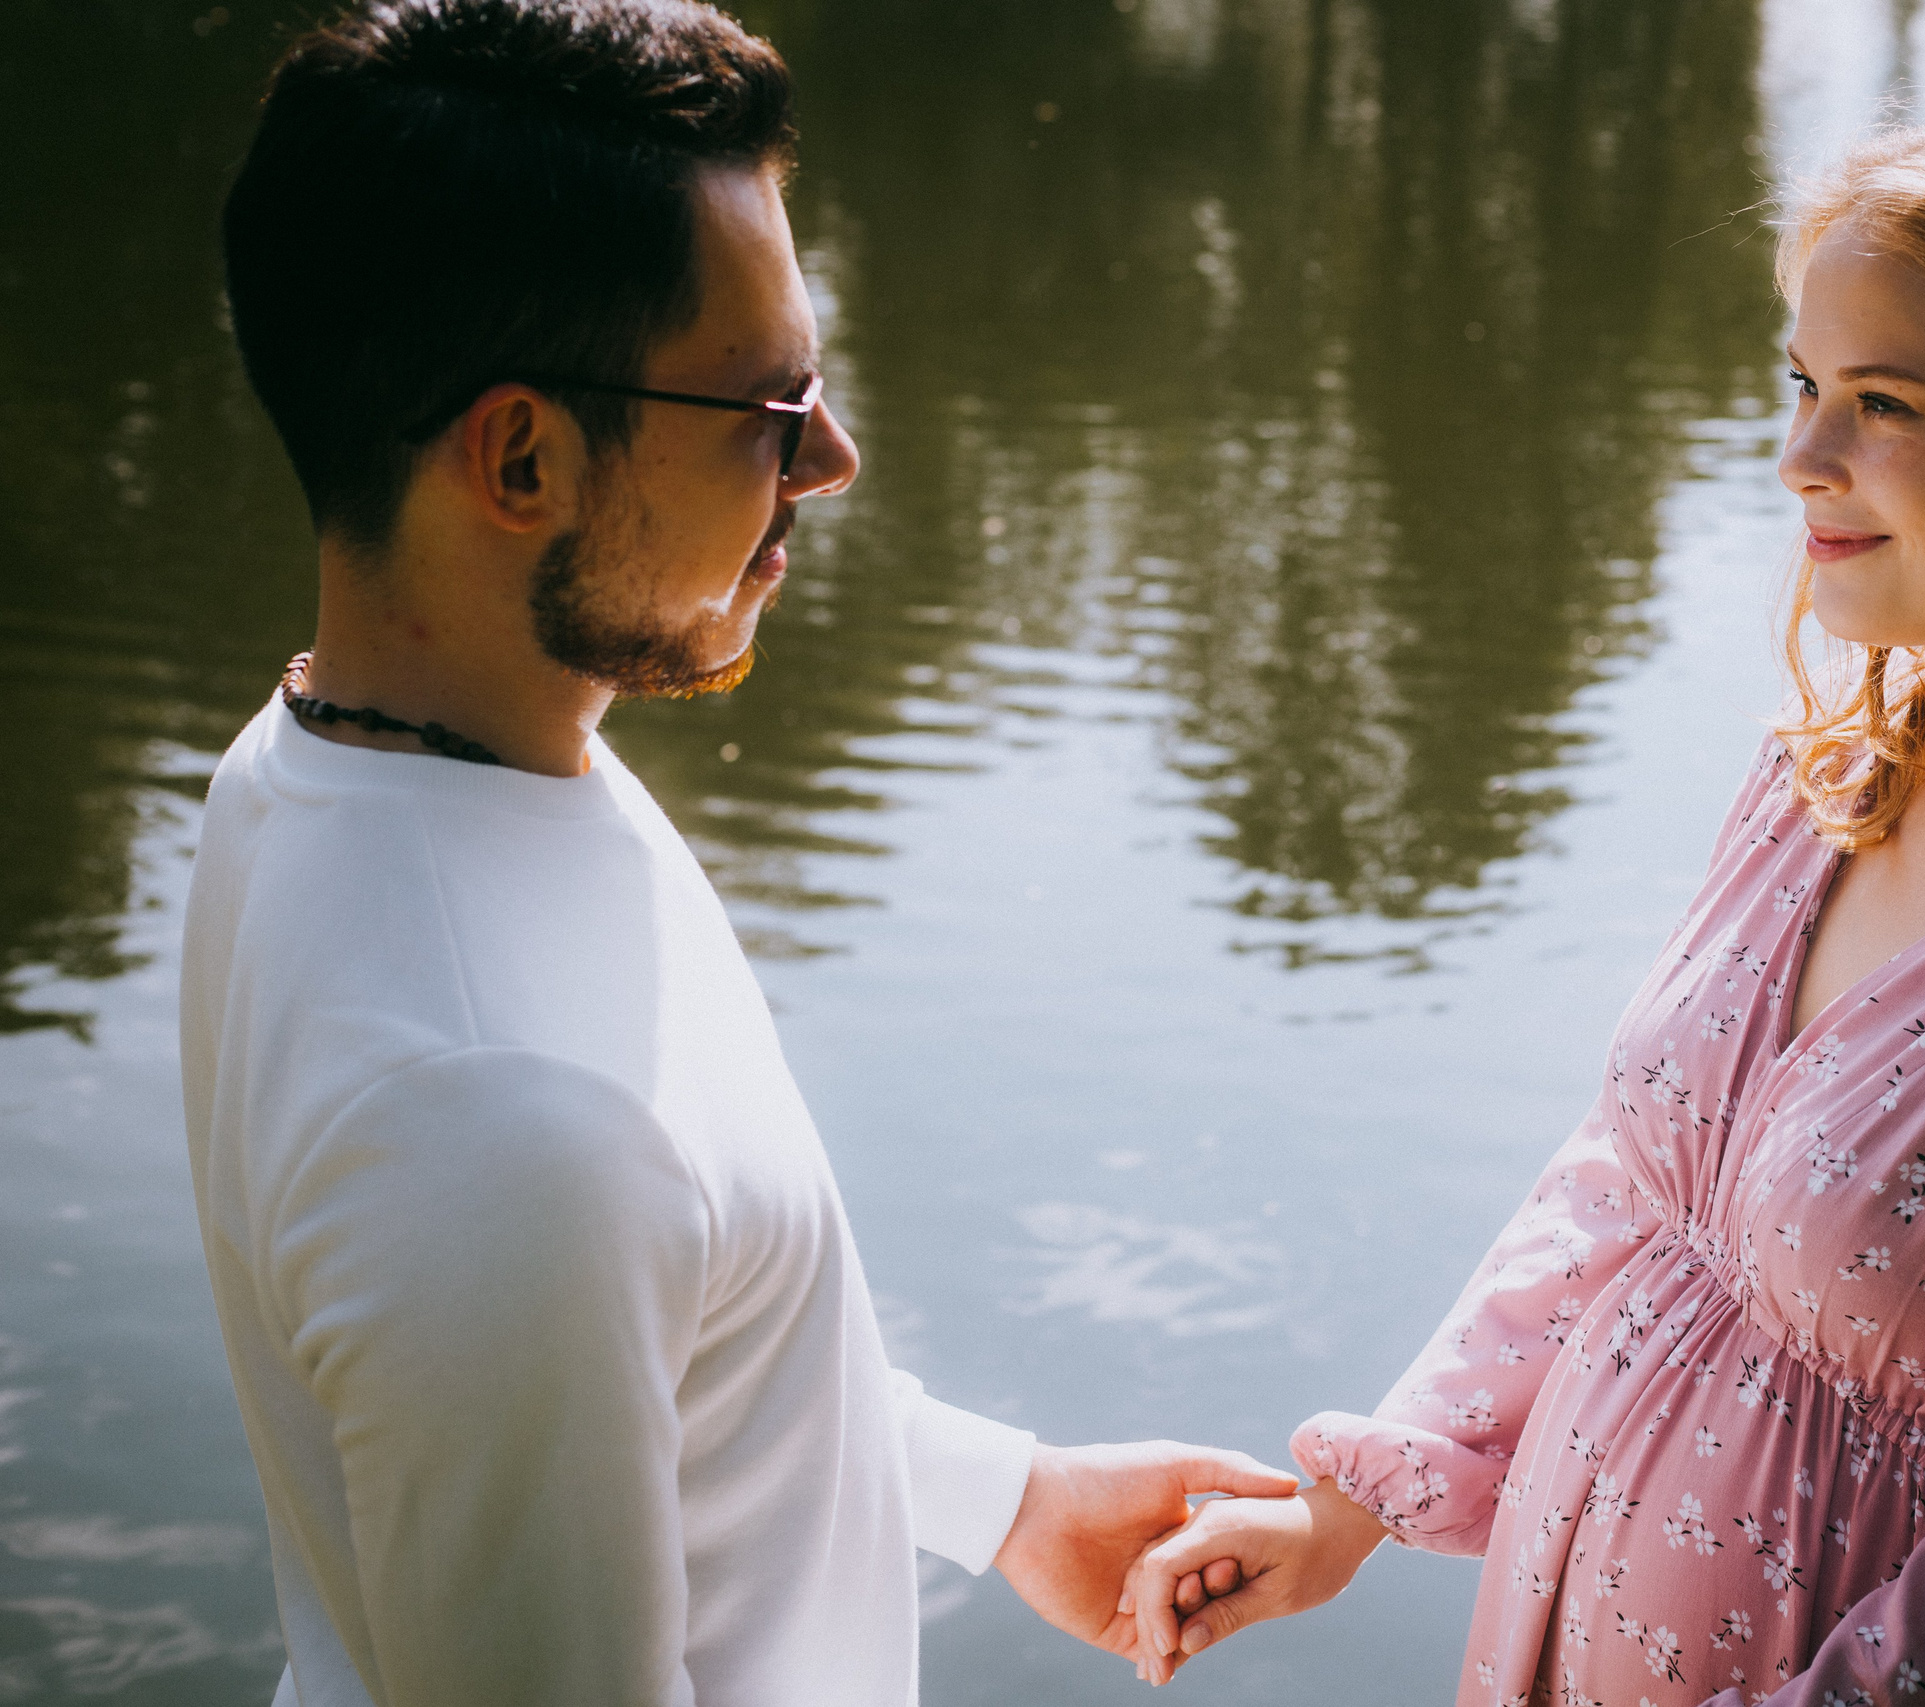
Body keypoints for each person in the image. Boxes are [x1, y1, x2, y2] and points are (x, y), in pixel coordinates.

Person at [1125, 89, 1925, 1705]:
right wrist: (1356, 1500)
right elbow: (1629, 1190)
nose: (1802, 457)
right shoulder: (1818, 786)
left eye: (1884, 400)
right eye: (1802, 384)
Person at [180, 3, 1295, 1703]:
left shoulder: (327, 765)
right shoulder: (497, 1128)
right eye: (770, 408)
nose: (831, 464)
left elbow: (669, 1331)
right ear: (524, 455)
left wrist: (1009, 1503)